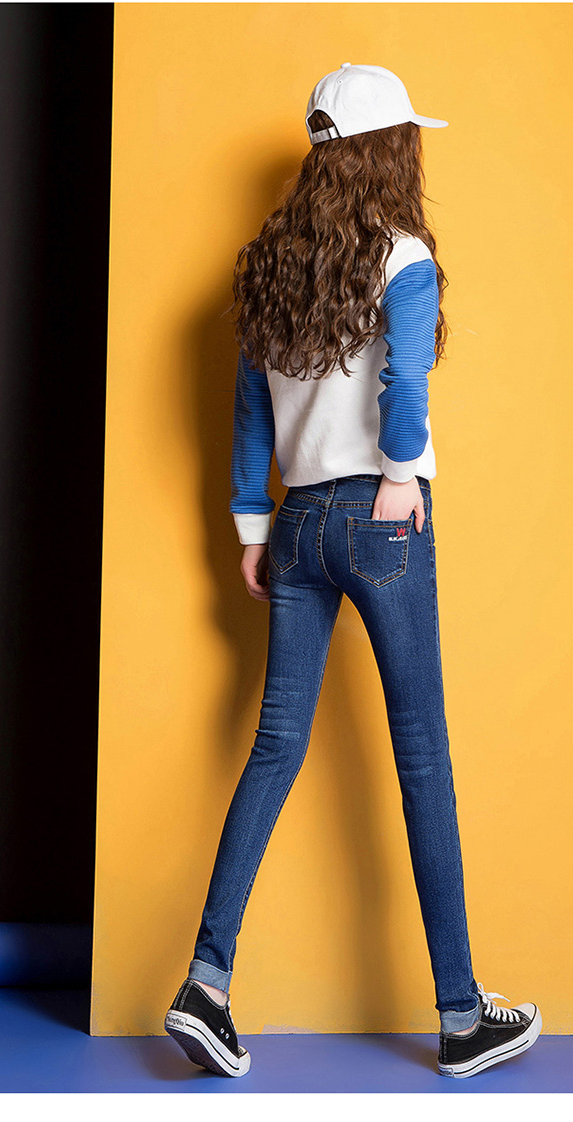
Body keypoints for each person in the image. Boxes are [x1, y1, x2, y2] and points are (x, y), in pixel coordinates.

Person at [164, 63, 542, 1081]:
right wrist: (401, 476)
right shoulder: (403, 256)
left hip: (295, 526)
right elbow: (404, 381)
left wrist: (253, 528)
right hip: (381, 518)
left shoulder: (268, 265)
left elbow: (251, 413)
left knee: (274, 747)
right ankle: (460, 1016)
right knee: (422, 756)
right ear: (389, 151)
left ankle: (206, 984)